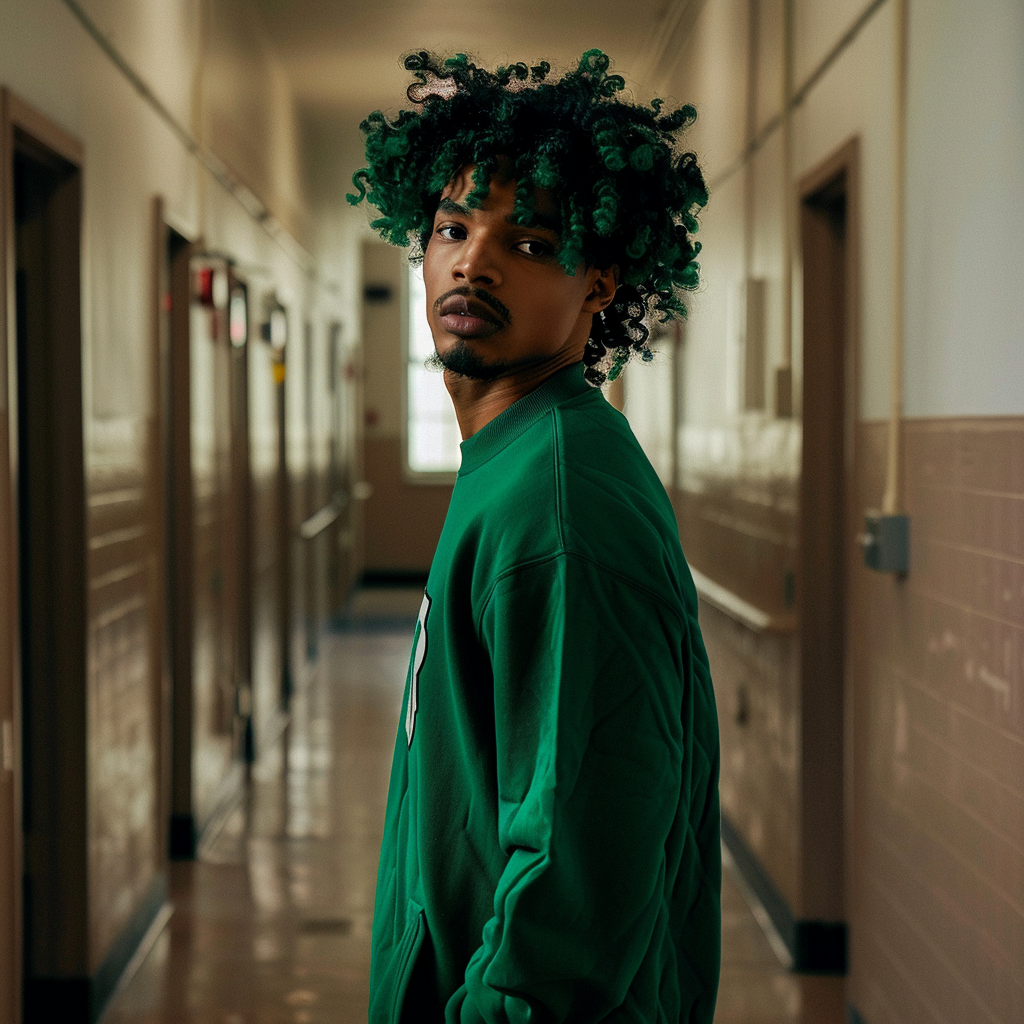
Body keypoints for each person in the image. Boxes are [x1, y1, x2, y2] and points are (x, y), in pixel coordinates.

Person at [349, 50, 720, 1024]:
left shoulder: (557, 505)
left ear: (599, 279)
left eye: (529, 240)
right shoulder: (516, 456)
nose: (473, 261)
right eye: (453, 228)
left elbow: (576, 878)